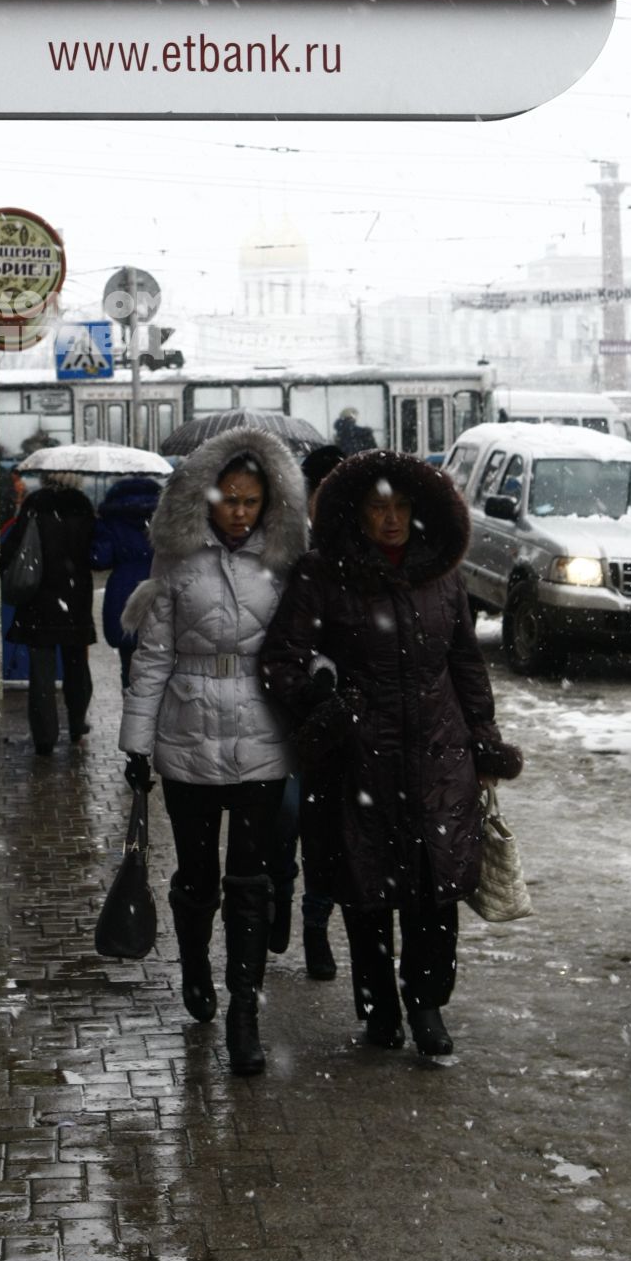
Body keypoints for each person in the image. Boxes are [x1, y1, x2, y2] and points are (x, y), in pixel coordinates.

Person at [261, 449, 523, 1057]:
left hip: (438, 754)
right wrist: (325, 707)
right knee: (366, 888)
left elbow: (465, 662)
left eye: (402, 506)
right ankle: (380, 1009)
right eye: (379, 507)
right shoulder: (322, 573)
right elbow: (280, 660)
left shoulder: (442, 574)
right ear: (357, 514)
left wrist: (482, 739)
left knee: (435, 889)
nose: (392, 519)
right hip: (360, 757)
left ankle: (428, 1005)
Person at [118, 427, 307, 1075]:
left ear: (267, 502)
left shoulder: (282, 564)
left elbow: (300, 649)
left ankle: (244, 1010)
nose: (239, 510)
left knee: (249, 879)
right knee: (198, 876)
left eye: (251, 500)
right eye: (229, 497)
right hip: (187, 735)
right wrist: (136, 744)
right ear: (208, 496)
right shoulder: (176, 561)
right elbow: (155, 655)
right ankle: (195, 964)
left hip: (261, 738)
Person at [266, 444, 343, 979]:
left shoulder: (349, 555)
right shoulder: (280, 547)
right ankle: (279, 898)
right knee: (282, 820)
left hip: (334, 715)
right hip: (284, 709)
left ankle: (316, 926)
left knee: (327, 831)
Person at [0, 472, 96, 755]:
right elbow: (94, 551)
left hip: (39, 598)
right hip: (75, 597)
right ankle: (77, 724)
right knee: (77, 665)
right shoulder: (82, 504)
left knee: (41, 670)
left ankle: (45, 737)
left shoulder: (35, 503)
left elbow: (12, 549)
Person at [91, 472, 163, 688]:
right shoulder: (164, 513)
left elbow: (100, 559)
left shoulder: (112, 517)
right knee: (160, 657)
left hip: (123, 591)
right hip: (158, 588)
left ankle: (131, 704)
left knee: (129, 659)